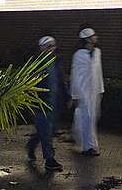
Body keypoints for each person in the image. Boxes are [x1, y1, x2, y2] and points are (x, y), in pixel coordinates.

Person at [26, 35, 67, 171]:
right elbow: (30, 85)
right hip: (41, 104)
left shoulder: (56, 62)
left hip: (54, 102)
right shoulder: (36, 64)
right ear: (42, 48)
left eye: (52, 46)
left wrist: (67, 96)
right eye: (48, 46)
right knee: (47, 131)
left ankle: (31, 145)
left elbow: (61, 81)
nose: (51, 49)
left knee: (46, 130)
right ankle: (49, 159)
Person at [70, 26, 104, 156]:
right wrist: (75, 95)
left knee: (93, 118)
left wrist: (100, 89)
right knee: (85, 118)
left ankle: (92, 145)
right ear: (88, 39)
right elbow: (75, 75)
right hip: (83, 92)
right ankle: (87, 147)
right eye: (93, 36)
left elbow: (99, 72)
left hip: (94, 92)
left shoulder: (97, 53)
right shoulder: (78, 55)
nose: (96, 37)